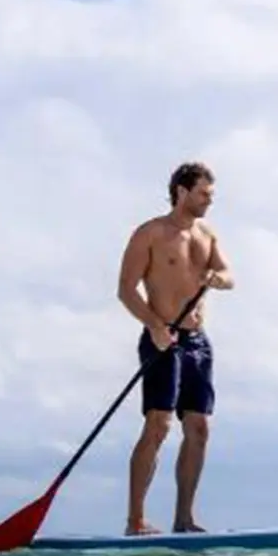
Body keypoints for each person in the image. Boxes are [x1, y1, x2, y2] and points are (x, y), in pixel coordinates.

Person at [117, 161, 234, 535]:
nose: (208, 202)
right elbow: (125, 289)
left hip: (198, 342)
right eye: (203, 194)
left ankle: (184, 519)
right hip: (161, 338)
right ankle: (135, 521)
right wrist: (154, 326)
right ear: (181, 192)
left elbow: (229, 275)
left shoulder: (207, 234)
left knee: (198, 428)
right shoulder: (150, 233)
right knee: (158, 425)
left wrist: (219, 278)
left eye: (211, 196)